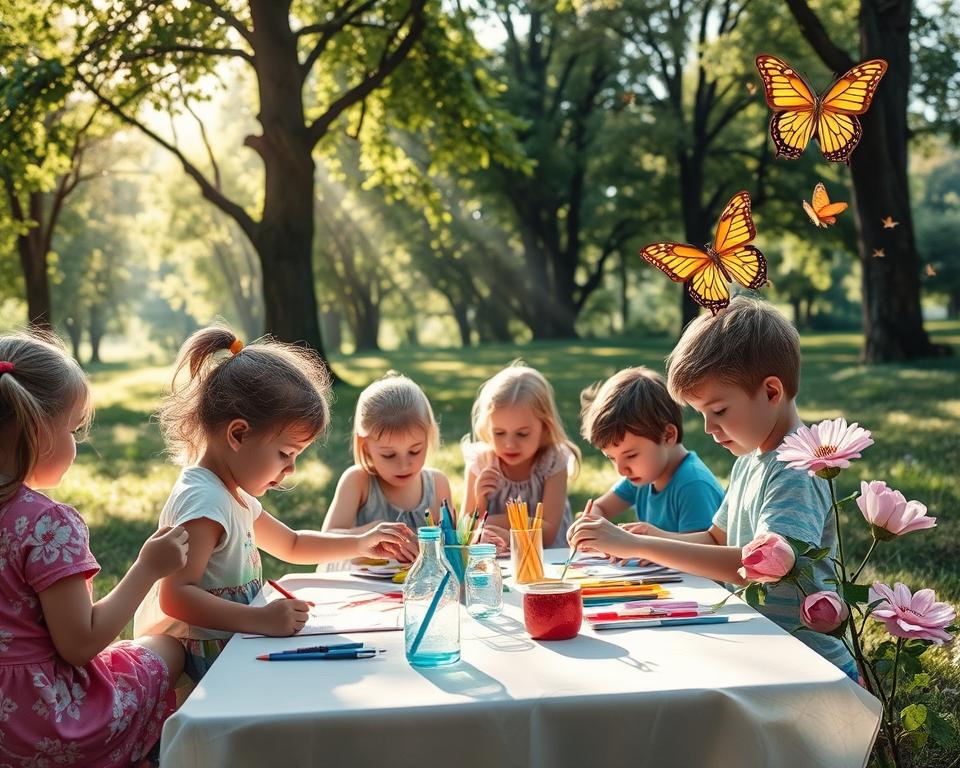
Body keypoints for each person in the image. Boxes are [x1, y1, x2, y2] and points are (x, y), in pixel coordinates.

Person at [568, 298, 857, 679]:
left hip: (809, 668)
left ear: (772, 392)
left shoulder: (796, 470)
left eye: (718, 411)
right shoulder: (748, 462)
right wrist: (659, 537)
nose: (707, 428)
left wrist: (640, 545)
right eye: (702, 414)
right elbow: (716, 538)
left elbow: (761, 569)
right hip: (767, 651)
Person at [134, 326, 412, 682]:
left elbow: (292, 544)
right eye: (285, 453)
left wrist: (360, 542)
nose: (291, 468)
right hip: (200, 667)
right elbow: (176, 597)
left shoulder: (234, 495)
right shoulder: (204, 501)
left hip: (231, 650)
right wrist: (260, 619)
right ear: (238, 434)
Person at [0, 330, 189, 765]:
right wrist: (147, 567)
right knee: (166, 649)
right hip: (45, 726)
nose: (77, 444)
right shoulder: (46, 525)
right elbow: (80, 645)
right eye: (73, 429)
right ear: (38, 430)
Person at [322, 372, 454, 562]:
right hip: (363, 587)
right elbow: (325, 540)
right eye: (389, 455)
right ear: (365, 445)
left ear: (429, 436)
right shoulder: (359, 481)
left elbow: (452, 543)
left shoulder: (437, 483)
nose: (404, 465)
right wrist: (372, 531)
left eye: (415, 451)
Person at [580, 366, 723, 533]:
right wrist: (589, 524)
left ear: (668, 436)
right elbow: (601, 508)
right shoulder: (643, 477)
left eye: (631, 455)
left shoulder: (693, 485)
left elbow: (702, 553)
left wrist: (642, 543)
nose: (621, 470)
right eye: (611, 458)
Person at [462, 362, 580, 547]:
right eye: (499, 433)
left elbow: (548, 534)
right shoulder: (481, 462)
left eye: (522, 434)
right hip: (496, 564)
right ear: (487, 427)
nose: (510, 444)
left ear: (545, 426)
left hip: (548, 562)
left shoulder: (553, 462)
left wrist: (493, 523)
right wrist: (480, 500)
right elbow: (465, 532)